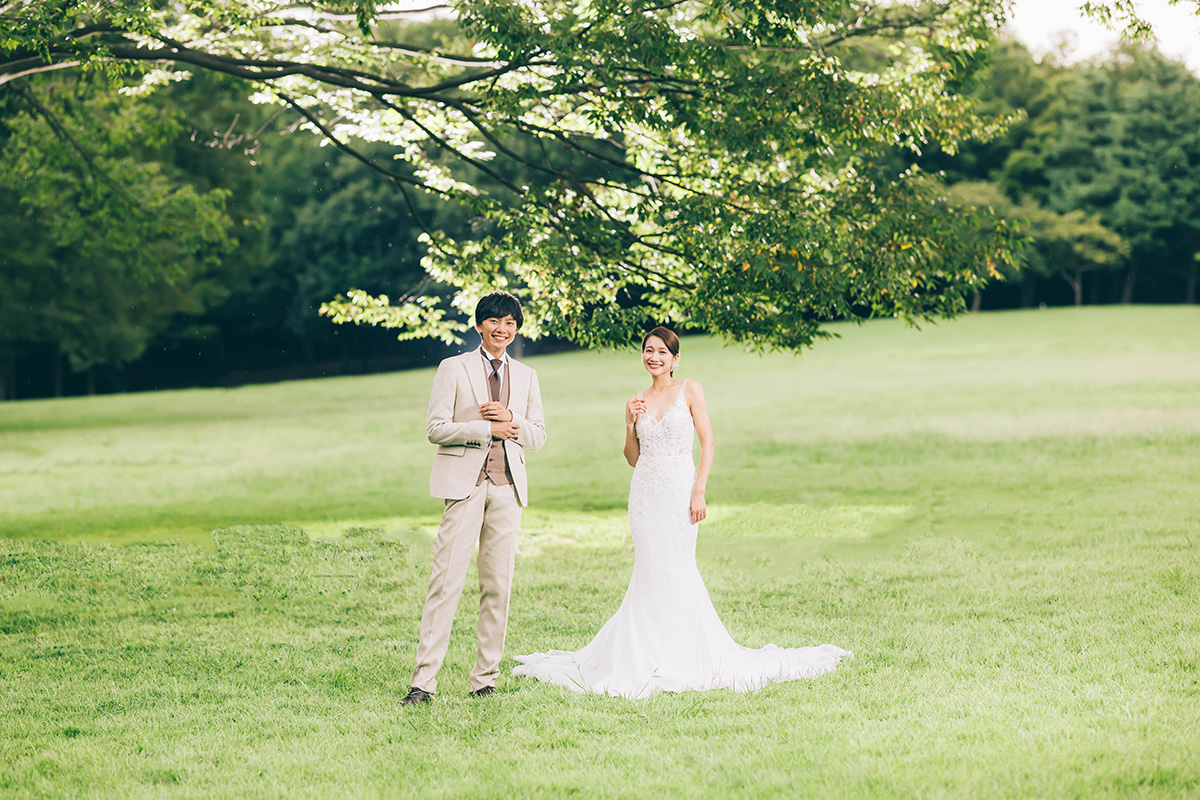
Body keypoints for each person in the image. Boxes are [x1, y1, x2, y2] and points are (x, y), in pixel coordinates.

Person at [512, 326, 851, 699]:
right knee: (649, 569)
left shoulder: (690, 390)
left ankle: (685, 653)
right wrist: (628, 423)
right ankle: (645, 653)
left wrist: (699, 491)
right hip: (644, 494)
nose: (653, 357)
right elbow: (632, 458)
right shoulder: (636, 400)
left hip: (679, 492)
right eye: (647, 350)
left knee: (677, 567)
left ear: (675, 359)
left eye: (661, 352)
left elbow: (708, 443)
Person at [401, 291, 547, 705]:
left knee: (498, 587)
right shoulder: (454, 368)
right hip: (463, 488)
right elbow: (435, 428)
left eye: (510, 324)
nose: (503, 330)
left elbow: (537, 436)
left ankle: (485, 679)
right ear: (480, 325)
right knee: (445, 583)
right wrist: (485, 430)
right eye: (495, 322)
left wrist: (512, 423)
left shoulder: (527, 376)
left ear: (516, 328)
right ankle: (423, 683)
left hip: (507, 488)